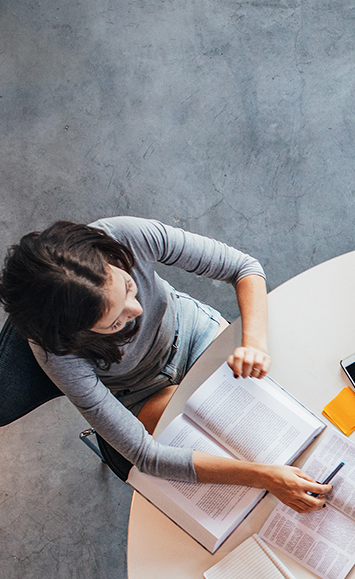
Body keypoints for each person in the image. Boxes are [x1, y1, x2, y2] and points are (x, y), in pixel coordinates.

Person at [0, 217, 329, 511]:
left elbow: (243, 267)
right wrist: (263, 478)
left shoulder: (124, 236)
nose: (138, 310)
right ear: (76, 336)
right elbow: (147, 456)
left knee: (286, 405)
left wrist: (254, 342)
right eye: (116, 322)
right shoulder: (57, 353)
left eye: (129, 286)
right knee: (241, 463)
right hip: (139, 392)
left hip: (195, 334)